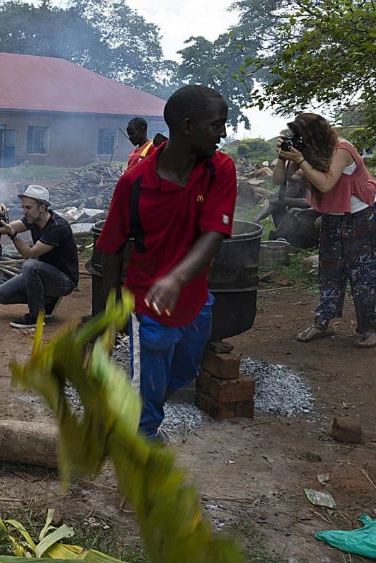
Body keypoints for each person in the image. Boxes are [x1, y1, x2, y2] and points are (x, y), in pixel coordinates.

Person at [96, 84, 237, 441]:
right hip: (147, 306)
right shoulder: (134, 183)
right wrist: (110, 314)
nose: (223, 133)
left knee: (184, 373)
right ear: (187, 126)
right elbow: (111, 249)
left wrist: (176, 279)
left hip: (196, 301)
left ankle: (140, 419)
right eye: (216, 125)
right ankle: (138, 448)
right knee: (147, 396)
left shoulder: (220, 169)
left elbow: (214, 234)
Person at [277, 113, 376, 348]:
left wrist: (301, 160)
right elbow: (278, 180)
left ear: (316, 136)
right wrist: (283, 158)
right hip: (333, 215)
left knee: (363, 271)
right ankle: (322, 322)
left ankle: (371, 328)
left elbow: (325, 183)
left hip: (362, 213)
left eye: (302, 138)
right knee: (329, 269)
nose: (300, 142)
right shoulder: (309, 152)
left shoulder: (342, 149)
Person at [0, 185, 79, 328]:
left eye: (28, 208)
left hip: (64, 281)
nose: (24, 211)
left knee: (30, 265)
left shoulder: (57, 227)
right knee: (1, 295)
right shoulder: (33, 220)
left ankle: (36, 316)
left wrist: (13, 235)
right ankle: (47, 300)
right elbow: (6, 228)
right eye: (23, 207)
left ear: (42, 207)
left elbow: (29, 254)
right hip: (46, 275)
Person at [254, 158, 320, 248]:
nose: (292, 185)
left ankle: (286, 238)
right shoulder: (292, 190)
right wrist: (256, 220)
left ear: (304, 183)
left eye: (295, 183)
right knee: (276, 207)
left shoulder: (312, 187)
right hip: (294, 225)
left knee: (294, 213)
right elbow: (274, 204)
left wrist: (286, 201)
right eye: (291, 182)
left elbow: (310, 203)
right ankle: (283, 238)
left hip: (309, 221)